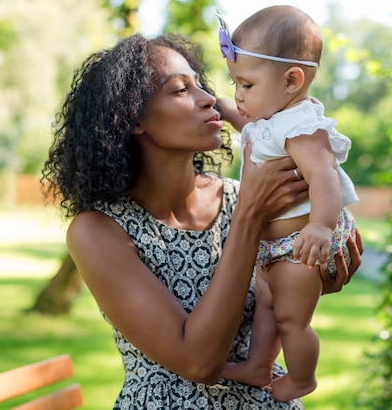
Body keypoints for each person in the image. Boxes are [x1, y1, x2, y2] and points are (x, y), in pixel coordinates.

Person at [42, 32, 363, 409]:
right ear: (132, 118)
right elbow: (199, 362)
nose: (209, 98)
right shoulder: (99, 231)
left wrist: (317, 268)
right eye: (180, 90)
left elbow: (315, 215)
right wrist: (248, 218)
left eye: (200, 83)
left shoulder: (239, 195)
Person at [216, 5, 360, 402]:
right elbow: (255, 134)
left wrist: (320, 227)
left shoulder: (301, 127)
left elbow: (324, 177)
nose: (237, 95)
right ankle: (258, 365)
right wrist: (229, 112)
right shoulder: (271, 120)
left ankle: (302, 378)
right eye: (235, 85)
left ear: (292, 81)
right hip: (272, 249)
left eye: (246, 85)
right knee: (266, 306)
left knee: (291, 320)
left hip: (301, 245)